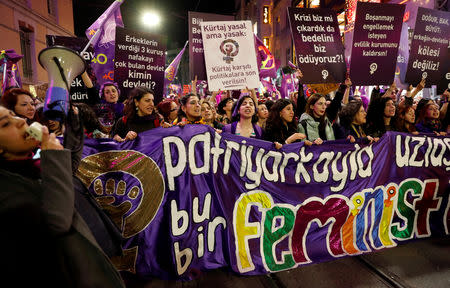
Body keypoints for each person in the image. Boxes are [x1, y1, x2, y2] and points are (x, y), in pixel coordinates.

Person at [0, 105, 125, 287]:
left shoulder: (30, 163)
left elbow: (70, 164)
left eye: (13, 115)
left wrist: (73, 123)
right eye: (5, 124)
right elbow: (57, 221)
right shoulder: (6, 190)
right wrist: (53, 156)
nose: (21, 121)